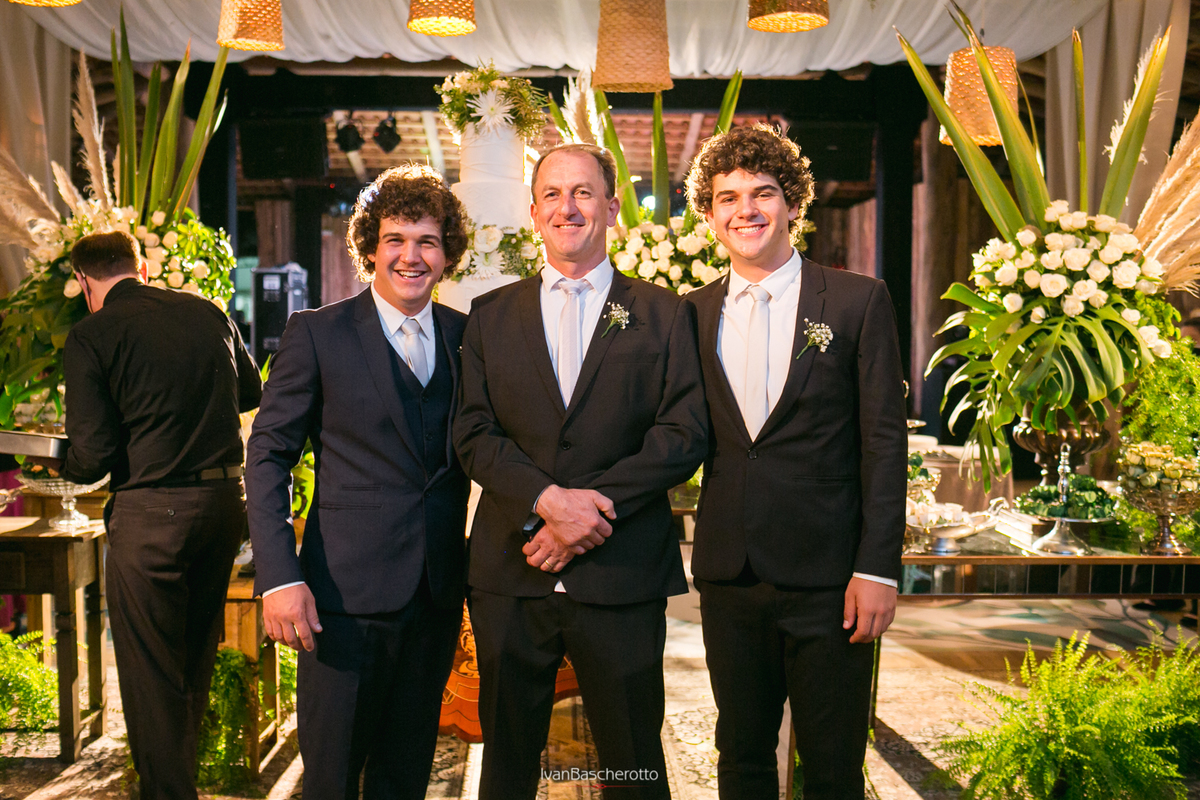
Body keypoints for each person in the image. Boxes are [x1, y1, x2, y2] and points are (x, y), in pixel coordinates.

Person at [454, 143, 708, 800]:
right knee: (506, 763)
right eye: (552, 194)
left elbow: (683, 434)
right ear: (534, 212)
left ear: (612, 207)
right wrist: (547, 500)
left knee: (633, 762)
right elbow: (473, 433)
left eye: (584, 192)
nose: (567, 207)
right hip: (513, 572)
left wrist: (586, 511)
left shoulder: (665, 313)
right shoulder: (490, 316)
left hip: (622, 569)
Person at [683, 125, 907, 799]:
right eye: (727, 198)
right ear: (709, 215)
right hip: (730, 574)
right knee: (740, 754)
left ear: (793, 203)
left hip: (831, 579)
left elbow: (883, 443)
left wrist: (877, 568)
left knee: (833, 767)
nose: (745, 210)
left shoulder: (857, 300)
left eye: (763, 193)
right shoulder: (690, 314)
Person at [245, 164, 471, 799]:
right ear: (370, 246)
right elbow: (267, 455)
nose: (410, 256)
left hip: (434, 598)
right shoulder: (317, 333)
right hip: (340, 603)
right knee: (333, 781)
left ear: (447, 254)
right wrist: (279, 576)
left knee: (405, 778)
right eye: (395, 239)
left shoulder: (465, 337)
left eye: (427, 241)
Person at [53, 230, 261, 800]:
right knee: (192, 661)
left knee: (150, 674)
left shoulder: (92, 334)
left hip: (151, 514)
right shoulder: (208, 312)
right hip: (224, 507)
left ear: (83, 282)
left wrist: (53, 460)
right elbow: (249, 392)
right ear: (140, 267)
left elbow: (92, 458)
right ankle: (176, 785)